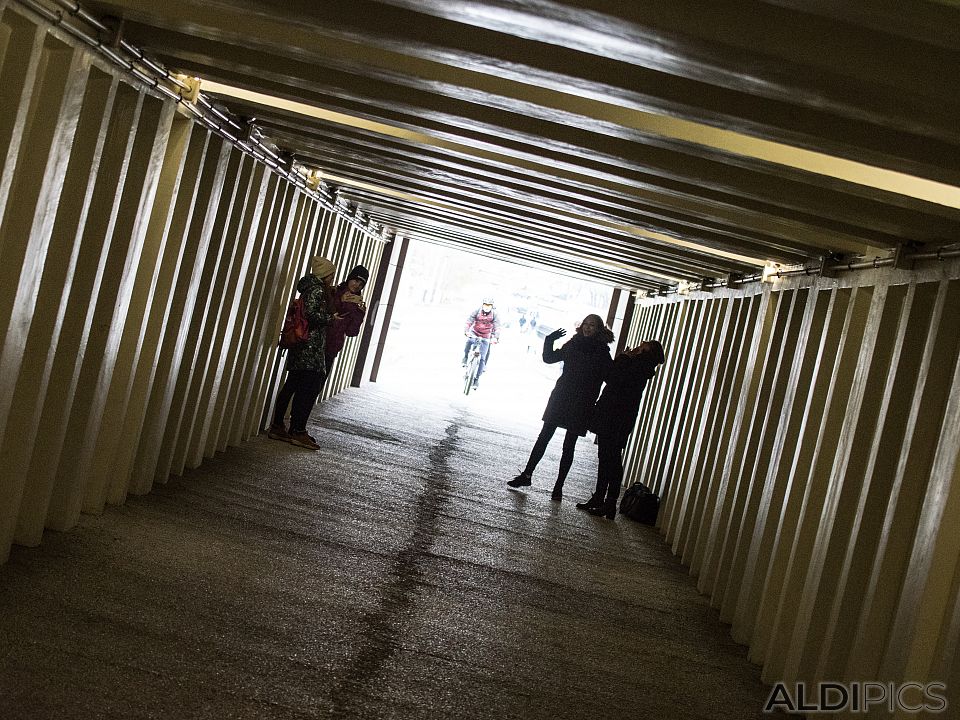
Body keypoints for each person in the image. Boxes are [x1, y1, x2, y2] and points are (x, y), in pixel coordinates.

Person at [507, 314, 614, 500]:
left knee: (569, 446)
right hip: (562, 397)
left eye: (593, 326)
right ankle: (527, 474)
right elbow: (549, 358)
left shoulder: (602, 353)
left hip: (582, 403)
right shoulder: (573, 343)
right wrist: (549, 340)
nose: (588, 328)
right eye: (586, 324)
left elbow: (610, 378)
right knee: (544, 437)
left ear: (599, 330)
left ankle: (558, 487)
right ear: (581, 326)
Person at [578, 340, 666, 519]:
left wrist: (624, 358)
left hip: (614, 416)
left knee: (610, 458)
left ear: (646, 351)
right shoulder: (642, 367)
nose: (641, 343)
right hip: (618, 417)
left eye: (645, 344)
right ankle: (602, 499)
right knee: (608, 457)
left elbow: (613, 378)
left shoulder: (638, 365)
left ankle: (607, 501)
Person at [268, 256, 335, 450]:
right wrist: (331, 318)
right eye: (331, 274)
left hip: (301, 345)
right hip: (310, 348)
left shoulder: (308, 288)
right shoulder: (316, 290)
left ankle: (278, 425)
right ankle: (297, 430)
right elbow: (312, 315)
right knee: (307, 388)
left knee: (292, 385)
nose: (332, 277)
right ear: (325, 275)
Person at [324, 264, 369, 381]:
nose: (357, 285)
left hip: (332, 347)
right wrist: (340, 300)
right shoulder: (334, 292)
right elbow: (325, 311)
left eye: (361, 284)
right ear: (350, 278)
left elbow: (351, 332)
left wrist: (360, 314)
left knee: (317, 386)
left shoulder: (357, 304)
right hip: (318, 343)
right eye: (356, 280)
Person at [462, 298, 500, 389]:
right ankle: (466, 357)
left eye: (489, 305)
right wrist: (466, 331)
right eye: (485, 305)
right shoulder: (477, 311)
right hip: (475, 333)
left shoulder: (494, 315)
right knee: (468, 342)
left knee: (482, 358)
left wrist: (495, 337)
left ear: (492, 306)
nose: (487, 307)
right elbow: (469, 321)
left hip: (486, 337)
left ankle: (476, 380)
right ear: (482, 304)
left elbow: (497, 327)